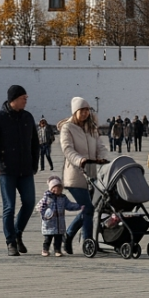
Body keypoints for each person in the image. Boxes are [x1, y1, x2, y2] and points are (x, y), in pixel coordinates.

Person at [0, 85, 40, 257]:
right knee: (9, 207)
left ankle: (17, 232)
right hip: (6, 169)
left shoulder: (27, 117)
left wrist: (34, 164)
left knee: (29, 203)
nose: (26, 100)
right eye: (24, 98)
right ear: (13, 99)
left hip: (25, 169)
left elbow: (35, 143)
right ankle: (10, 242)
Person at [59, 96, 107, 252]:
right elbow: (67, 149)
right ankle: (88, 243)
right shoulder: (67, 128)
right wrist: (80, 160)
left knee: (89, 209)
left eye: (87, 110)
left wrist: (104, 157)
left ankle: (69, 235)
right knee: (88, 208)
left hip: (92, 174)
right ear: (75, 111)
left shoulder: (91, 127)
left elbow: (100, 145)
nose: (85, 113)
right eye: (82, 110)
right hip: (75, 175)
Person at [37, 175, 83, 257]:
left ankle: (57, 250)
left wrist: (79, 206)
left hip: (59, 224)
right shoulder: (47, 198)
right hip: (49, 223)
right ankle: (45, 249)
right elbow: (39, 207)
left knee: (58, 239)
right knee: (48, 238)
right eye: (59, 188)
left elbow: (69, 205)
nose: (61, 190)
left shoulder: (63, 198)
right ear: (53, 189)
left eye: (61, 188)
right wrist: (45, 215)